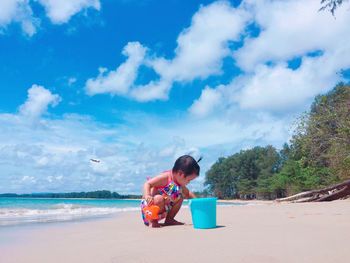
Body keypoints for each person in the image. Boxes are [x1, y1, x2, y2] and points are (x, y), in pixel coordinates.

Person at [141, 155, 201, 228]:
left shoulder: (179, 184)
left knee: (180, 197)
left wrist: (199, 203)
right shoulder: (165, 177)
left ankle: (169, 219)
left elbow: (188, 193)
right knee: (159, 198)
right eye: (189, 180)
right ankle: (153, 221)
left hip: (162, 209)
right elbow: (147, 183)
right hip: (149, 210)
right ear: (180, 174)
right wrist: (147, 195)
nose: (189, 182)